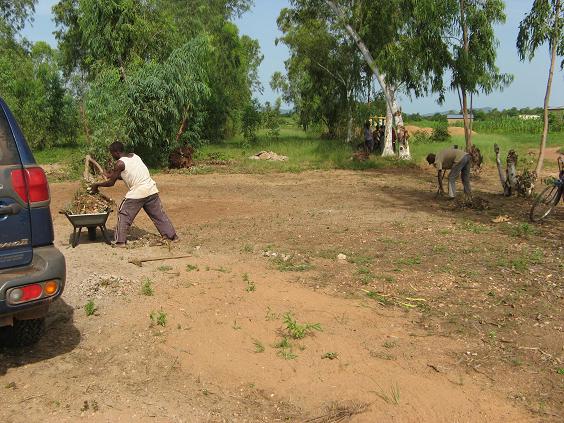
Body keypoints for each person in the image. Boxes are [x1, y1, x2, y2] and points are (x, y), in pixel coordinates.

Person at [90, 141, 178, 247]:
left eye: (112, 153)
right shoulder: (134, 156)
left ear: (116, 152)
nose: (112, 155)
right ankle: (172, 236)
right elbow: (127, 174)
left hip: (138, 192)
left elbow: (111, 183)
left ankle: (120, 242)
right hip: (151, 189)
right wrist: (110, 175)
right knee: (159, 215)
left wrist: (96, 185)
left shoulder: (119, 163)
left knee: (124, 214)